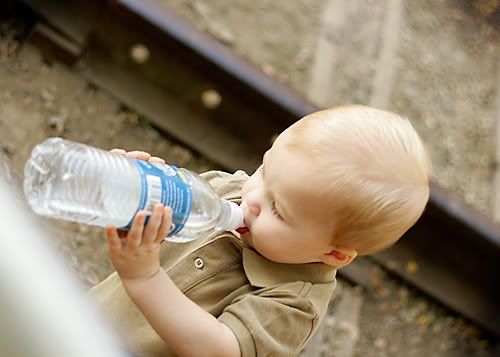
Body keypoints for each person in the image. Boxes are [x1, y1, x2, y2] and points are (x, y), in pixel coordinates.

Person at [90, 105, 430, 356]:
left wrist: (144, 277)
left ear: (333, 253)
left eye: (278, 211)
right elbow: (155, 232)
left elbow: (220, 350)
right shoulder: (231, 191)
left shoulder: (294, 303)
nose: (252, 198)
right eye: (265, 170)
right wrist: (128, 192)